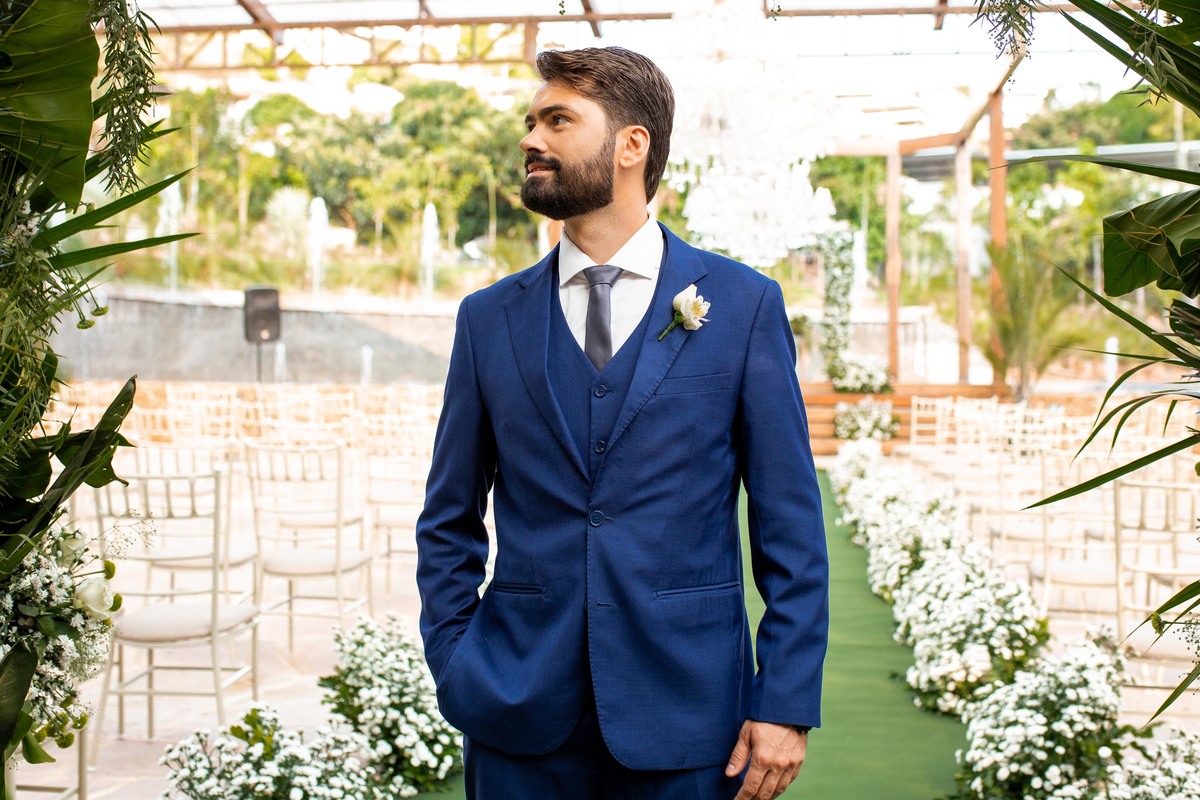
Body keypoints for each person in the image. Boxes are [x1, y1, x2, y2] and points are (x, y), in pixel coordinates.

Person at [416, 46, 828, 800]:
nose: (531, 139)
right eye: (531, 122)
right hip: (515, 713)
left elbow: (790, 524)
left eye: (557, 121)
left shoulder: (744, 306)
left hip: (693, 717)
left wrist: (785, 699)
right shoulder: (487, 318)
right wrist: (455, 660)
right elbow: (449, 515)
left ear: (631, 145)